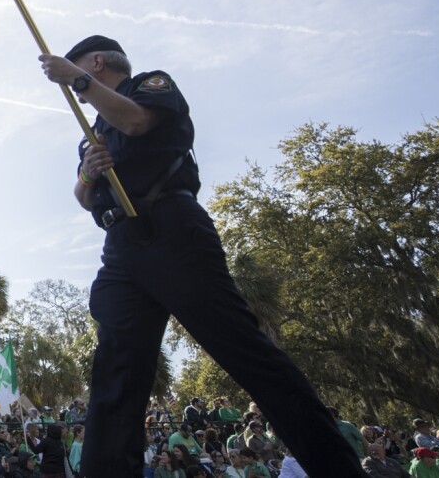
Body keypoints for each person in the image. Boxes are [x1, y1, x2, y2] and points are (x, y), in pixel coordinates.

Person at [39, 35, 368, 477]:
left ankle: (336, 467)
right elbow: (84, 196)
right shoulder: (93, 129)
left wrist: (77, 80)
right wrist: (87, 172)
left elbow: (137, 124)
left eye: (79, 64)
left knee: (242, 349)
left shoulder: (150, 86)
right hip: (120, 245)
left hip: (170, 228)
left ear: (97, 62)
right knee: (114, 376)